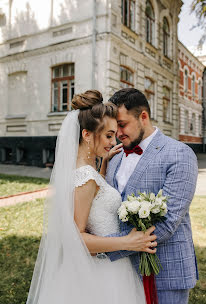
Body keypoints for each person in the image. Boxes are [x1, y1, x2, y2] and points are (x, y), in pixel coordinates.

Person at [26, 90, 157, 304]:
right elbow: (76, 239)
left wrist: (103, 165)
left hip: (103, 267)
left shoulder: (86, 173)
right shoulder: (85, 177)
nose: (113, 141)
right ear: (87, 135)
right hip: (103, 274)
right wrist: (128, 242)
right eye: (108, 135)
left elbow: (95, 201)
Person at [104, 88, 199, 304]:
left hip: (165, 274)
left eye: (122, 124)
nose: (118, 133)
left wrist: (102, 248)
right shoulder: (116, 156)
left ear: (143, 117)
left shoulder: (180, 154)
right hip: (121, 276)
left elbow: (166, 223)